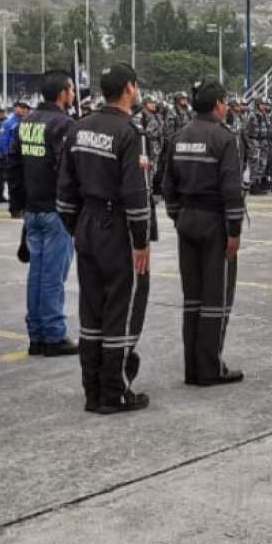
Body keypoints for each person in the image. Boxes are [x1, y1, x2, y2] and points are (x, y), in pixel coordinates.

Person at [57, 62, 152, 414]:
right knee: (122, 310)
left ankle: (93, 390)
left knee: (92, 309)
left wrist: (78, 226)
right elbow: (137, 193)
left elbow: (65, 190)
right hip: (118, 226)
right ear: (129, 88)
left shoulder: (79, 128)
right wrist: (140, 241)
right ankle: (115, 391)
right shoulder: (130, 132)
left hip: (87, 222)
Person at [162, 80, 244, 386]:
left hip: (187, 220)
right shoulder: (224, 138)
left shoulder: (178, 137)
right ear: (218, 104)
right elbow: (232, 189)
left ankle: (193, 368)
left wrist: (178, 216)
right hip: (214, 223)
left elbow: (167, 185)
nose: (227, 107)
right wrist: (234, 231)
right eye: (225, 102)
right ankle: (209, 368)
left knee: (192, 298)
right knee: (216, 298)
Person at [8, 70, 79, 357]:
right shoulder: (63, 124)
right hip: (55, 210)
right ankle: (53, 334)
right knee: (52, 276)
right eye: (71, 90)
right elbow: (68, 169)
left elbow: (13, 163)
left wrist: (17, 202)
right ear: (62, 93)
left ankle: (37, 333)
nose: (73, 95)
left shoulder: (26, 122)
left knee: (37, 273)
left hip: (33, 209)